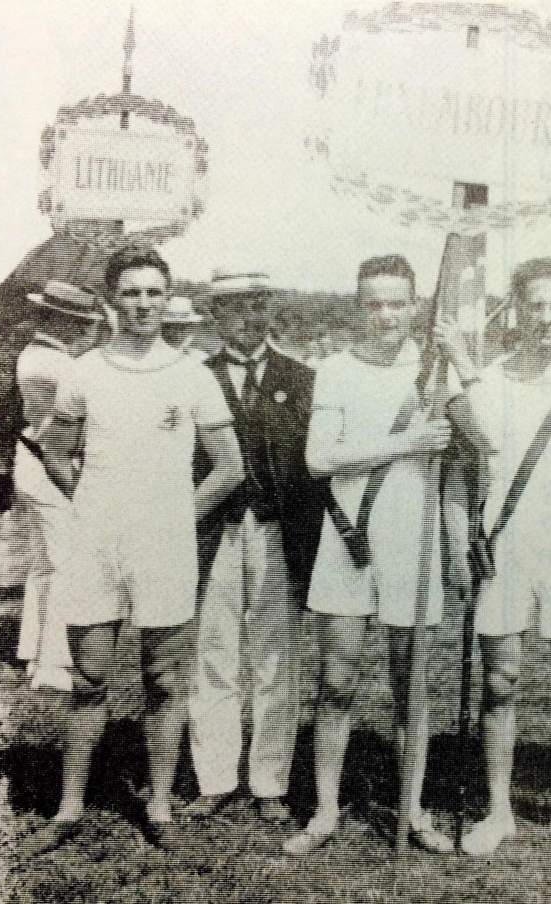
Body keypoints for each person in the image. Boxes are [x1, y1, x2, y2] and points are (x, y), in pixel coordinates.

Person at [22, 247, 244, 854]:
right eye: (130, 293)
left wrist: (176, 516)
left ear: (166, 299)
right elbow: (57, 452)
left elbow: (228, 469)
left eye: (152, 293)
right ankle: (69, 808)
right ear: (112, 301)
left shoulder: (192, 373)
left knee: (165, 679)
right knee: (89, 676)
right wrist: (91, 505)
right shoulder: (84, 371)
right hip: (98, 544)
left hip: (166, 546)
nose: (142, 304)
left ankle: (162, 804)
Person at [438, 257, 551, 857]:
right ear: (517, 310)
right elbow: (468, 469)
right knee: (501, 683)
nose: (544, 318)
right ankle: (496, 812)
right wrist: (463, 545)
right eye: (535, 305)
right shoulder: (487, 382)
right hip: (504, 552)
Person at [283, 254, 454, 855]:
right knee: (339, 679)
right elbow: (317, 459)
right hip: (348, 534)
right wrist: (406, 441)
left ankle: (413, 810)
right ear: (358, 308)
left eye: (396, 303)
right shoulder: (335, 369)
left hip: (415, 537)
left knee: (413, 685)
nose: (384, 315)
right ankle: (326, 811)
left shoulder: (436, 366)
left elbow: (481, 435)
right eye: (372, 304)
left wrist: (461, 363)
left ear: (413, 307)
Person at [185, 272, 323, 822]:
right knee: (213, 653)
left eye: (256, 305)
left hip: (277, 533)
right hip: (216, 533)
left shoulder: (303, 377)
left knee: (275, 659)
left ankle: (269, 781)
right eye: (233, 308)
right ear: (217, 316)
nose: (246, 317)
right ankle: (214, 778)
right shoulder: (194, 376)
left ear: (270, 310)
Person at [13, 281, 102, 691]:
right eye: (80, 323)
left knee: (45, 565)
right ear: (65, 323)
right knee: (67, 563)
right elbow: (56, 429)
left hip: (29, 460)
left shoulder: (35, 355)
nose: (85, 331)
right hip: (48, 464)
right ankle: (54, 663)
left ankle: (33, 653)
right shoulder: (63, 365)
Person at [161, 295, 208, 361]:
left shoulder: (200, 357)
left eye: (182, 327)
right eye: (168, 327)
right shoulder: (152, 355)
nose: (177, 334)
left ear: (192, 328)